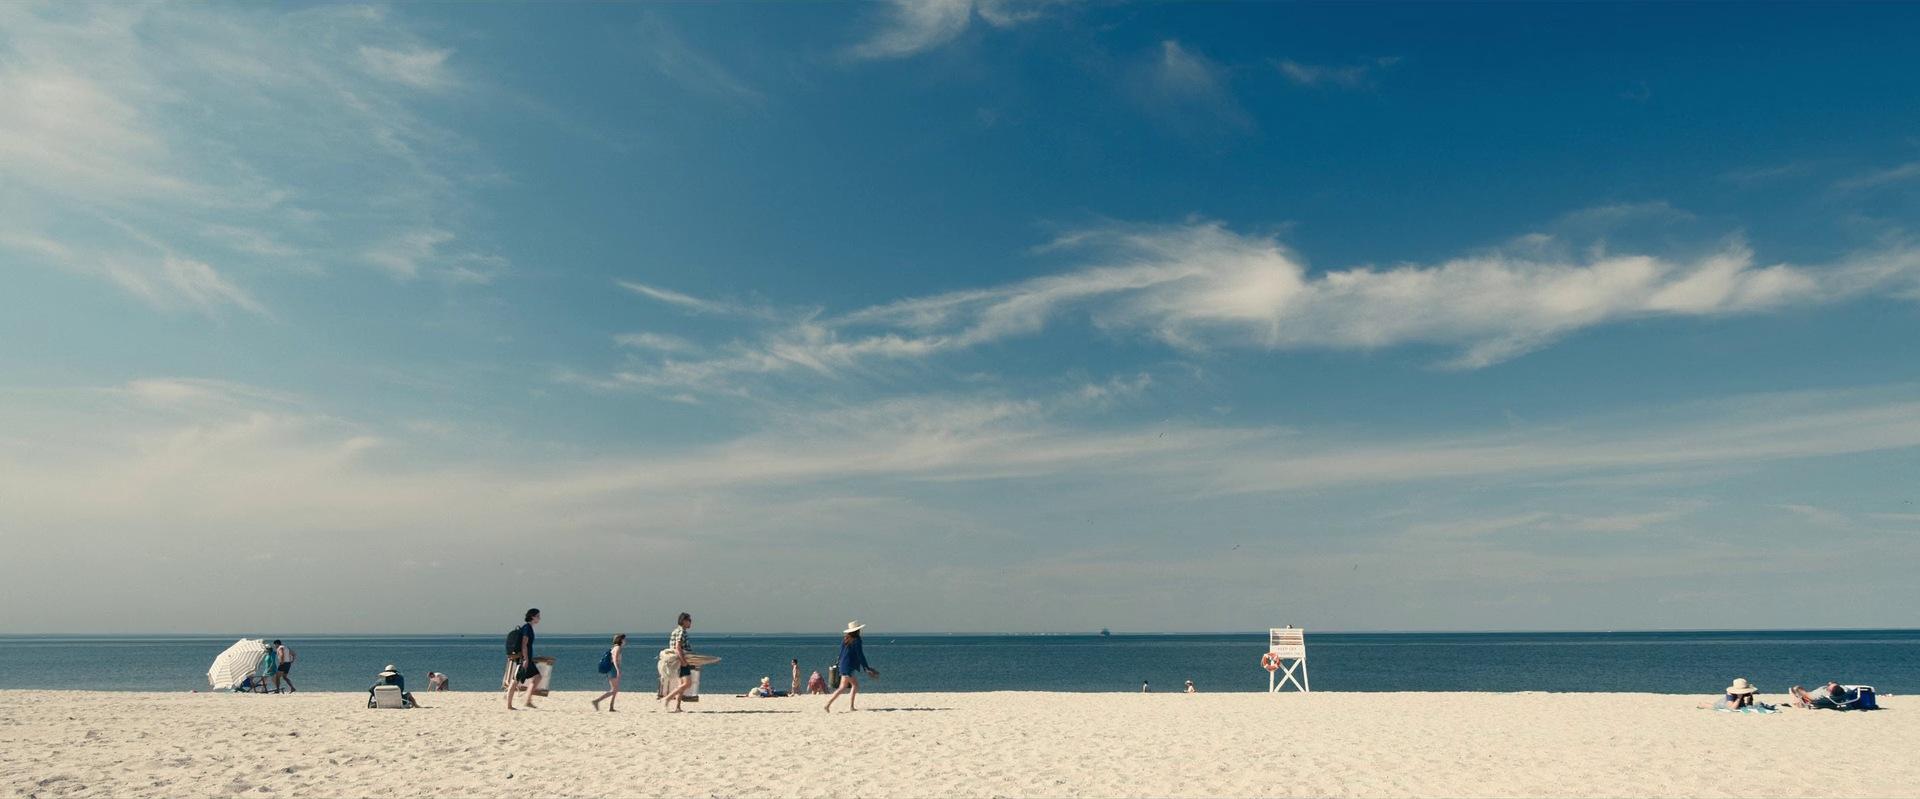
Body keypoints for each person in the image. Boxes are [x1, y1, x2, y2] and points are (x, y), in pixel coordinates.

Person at [824, 621, 878, 712]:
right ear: (857, 631)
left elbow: (841, 653)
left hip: (843, 665)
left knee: (842, 687)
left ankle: (828, 704)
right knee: (855, 685)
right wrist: (866, 667)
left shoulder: (845, 639)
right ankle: (850, 706)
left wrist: (839, 664)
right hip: (848, 666)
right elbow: (860, 655)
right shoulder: (857, 640)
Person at [505, 608, 541, 710]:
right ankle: (513, 704)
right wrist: (525, 659)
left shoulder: (528, 627)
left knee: (536, 677)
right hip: (524, 659)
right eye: (538, 616)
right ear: (532, 617)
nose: (539, 618)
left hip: (525, 658)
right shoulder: (527, 628)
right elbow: (524, 644)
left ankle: (527, 700)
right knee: (515, 681)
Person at [661, 612, 695, 712]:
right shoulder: (681, 631)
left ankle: (678, 707)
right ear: (684, 621)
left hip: (678, 660)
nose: (690, 622)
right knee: (688, 684)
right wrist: (683, 661)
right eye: (689, 620)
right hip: (681, 660)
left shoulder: (675, 630)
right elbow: (678, 647)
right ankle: (667, 699)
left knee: (681, 684)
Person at [592, 634, 625, 712]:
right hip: (612, 669)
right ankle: (597, 701)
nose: (625, 641)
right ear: (621, 640)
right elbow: (615, 659)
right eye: (624, 639)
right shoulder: (618, 648)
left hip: (612, 669)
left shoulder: (614, 647)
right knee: (613, 690)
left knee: (615, 689)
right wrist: (618, 670)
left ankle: (611, 707)